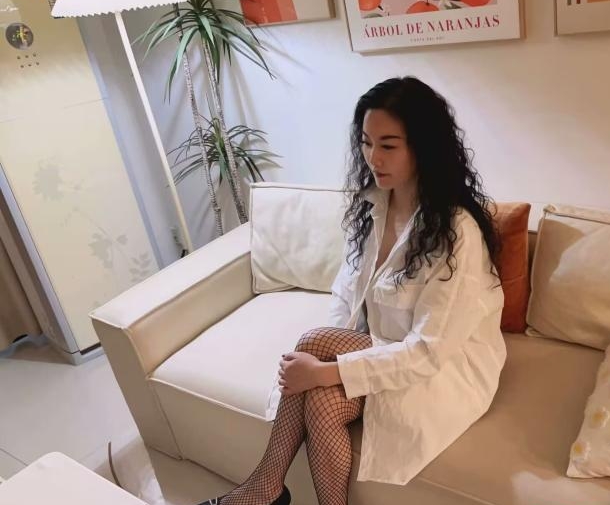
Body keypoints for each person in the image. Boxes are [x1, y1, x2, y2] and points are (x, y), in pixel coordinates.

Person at [199, 76, 506, 505]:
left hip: (442, 367)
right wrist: (327, 361)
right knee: (320, 400)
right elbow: (345, 297)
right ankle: (269, 491)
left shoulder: (457, 232)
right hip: (381, 347)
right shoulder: (373, 203)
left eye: (388, 145)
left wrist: (324, 369)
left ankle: (262, 490)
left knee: (314, 354)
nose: (373, 157)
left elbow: (427, 352)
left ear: (424, 147)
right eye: (366, 142)